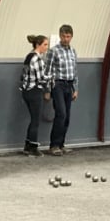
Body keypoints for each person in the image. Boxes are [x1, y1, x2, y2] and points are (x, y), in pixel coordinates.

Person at [44, 24, 78, 156]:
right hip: (57, 84)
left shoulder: (73, 51)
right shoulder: (53, 51)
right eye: (64, 36)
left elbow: (75, 71)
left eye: (68, 36)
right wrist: (47, 90)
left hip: (69, 85)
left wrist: (76, 88)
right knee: (61, 114)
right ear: (60, 36)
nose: (66, 39)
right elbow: (48, 71)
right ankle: (54, 145)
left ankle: (62, 143)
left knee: (67, 116)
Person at [19, 35, 51, 157]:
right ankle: (33, 147)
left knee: (33, 119)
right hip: (34, 91)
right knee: (35, 120)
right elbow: (41, 78)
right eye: (45, 45)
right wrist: (52, 77)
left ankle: (27, 146)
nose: (46, 48)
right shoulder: (37, 59)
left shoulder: (28, 57)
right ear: (38, 45)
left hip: (26, 91)